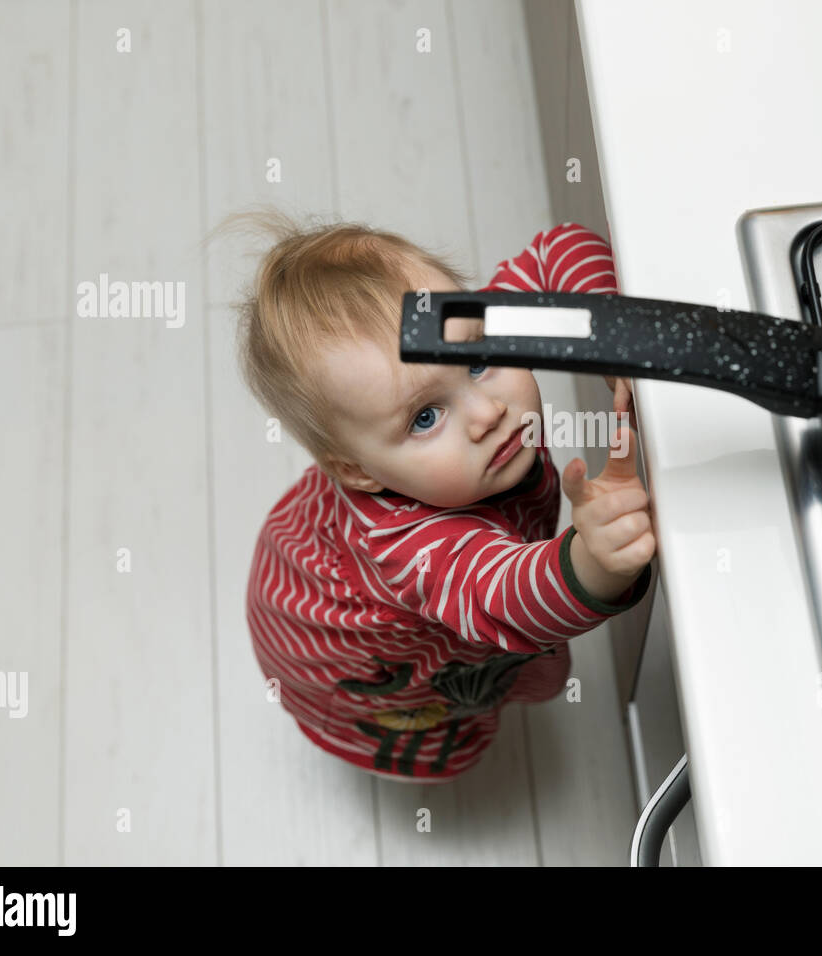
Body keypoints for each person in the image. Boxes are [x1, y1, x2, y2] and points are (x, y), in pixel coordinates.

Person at [233, 213, 655, 782]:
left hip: (313, 544)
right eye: (425, 418)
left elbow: (561, 250)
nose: (488, 414)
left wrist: (610, 334)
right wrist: (594, 562)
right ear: (356, 471)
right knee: (441, 722)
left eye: (478, 361)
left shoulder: (455, 327)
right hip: (351, 656)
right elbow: (507, 594)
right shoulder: (408, 546)